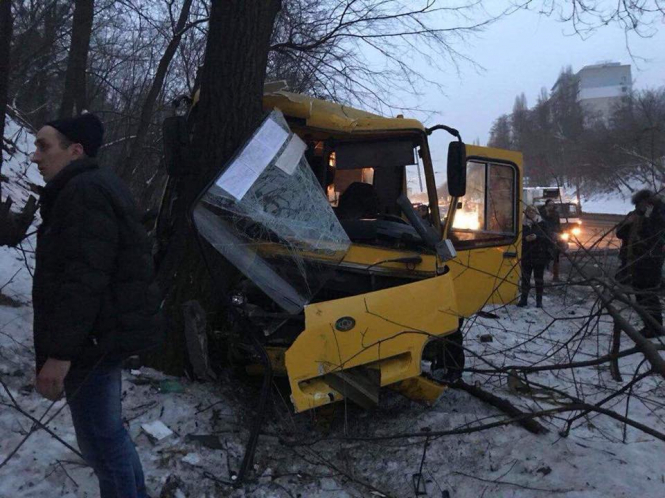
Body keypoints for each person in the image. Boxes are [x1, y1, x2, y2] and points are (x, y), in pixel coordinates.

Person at [31, 113, 164, 497]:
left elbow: (83, 281)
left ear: (75, 151)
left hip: (92, 342)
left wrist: (59, 355)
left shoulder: (84, 192)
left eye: (44, 146)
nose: (35, 156)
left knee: (101, 444)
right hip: (99, 337)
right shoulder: (89, 186)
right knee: (107, 438)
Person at [615, 189, 665, 338]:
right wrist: (627, 223)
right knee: (639, 293)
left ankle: (655, 326)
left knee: (648, 293)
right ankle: (648, 324)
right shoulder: (636, 214)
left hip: (650, 260)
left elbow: (653, 235)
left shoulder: (658, 214)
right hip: (635, 260)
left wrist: (645, 218)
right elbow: (620, 233)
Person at [518, 205, 552, 308]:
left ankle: (539, 301)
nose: (530, 213)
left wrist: (537, 237)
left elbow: (548, 238)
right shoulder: (522, 224)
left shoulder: (542, 224)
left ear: (536, 212)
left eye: (533, 211)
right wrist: (525, 238)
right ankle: (523, 299)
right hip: (527, 254)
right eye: (528, 211)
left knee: (539, 279)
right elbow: (519, 237)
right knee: (525, 278)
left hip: (539, 254)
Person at [539, 199, 562, 281]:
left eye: (552, 205)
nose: (551, 207)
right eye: (549, 205)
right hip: (544, 237)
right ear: (546, 206)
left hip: (554, 237)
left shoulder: (555, 214)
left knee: (556, 256)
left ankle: (556, 276)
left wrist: (559, 233)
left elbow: (558, 225)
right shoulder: (541, 214)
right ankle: (542, 274)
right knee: (544, 256)